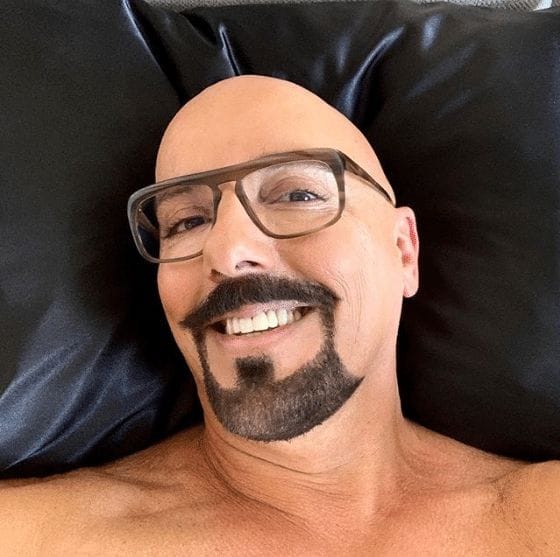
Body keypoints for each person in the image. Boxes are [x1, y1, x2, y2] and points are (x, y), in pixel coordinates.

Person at [1, 75, 558, 555]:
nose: (227, 252)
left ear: (403, 251)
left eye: (297, 195)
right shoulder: (32, 535)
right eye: (187, 222)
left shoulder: (540, 519)